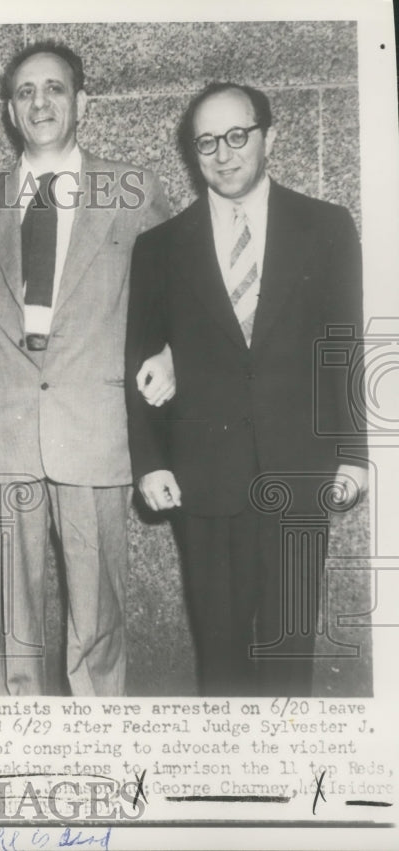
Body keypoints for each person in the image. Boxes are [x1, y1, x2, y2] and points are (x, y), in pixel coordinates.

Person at [125, 82, 367, 696]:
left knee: (291, 649)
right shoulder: (160, 247)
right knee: (221, 655)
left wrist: (353, 452)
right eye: (207, 141)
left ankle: (288, 783)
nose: (224, 153)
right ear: (192, 152)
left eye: (238, 136)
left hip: (298, 469)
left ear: (269, 137)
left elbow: (342, 347)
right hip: (204, 481)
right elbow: (140, 358)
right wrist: (149, 463)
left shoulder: (326, 226)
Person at [0, 41, 172, 696]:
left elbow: (174, 290)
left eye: (54, 88)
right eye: (25, 92)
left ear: (83, 102)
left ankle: (99, 737)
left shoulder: (132, 189)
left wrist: (171, 352)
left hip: (94, 425)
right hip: (5, 427)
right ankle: (22, 741)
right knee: (14, 612)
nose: (40, 102)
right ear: (9, 112)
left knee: (97, 611)